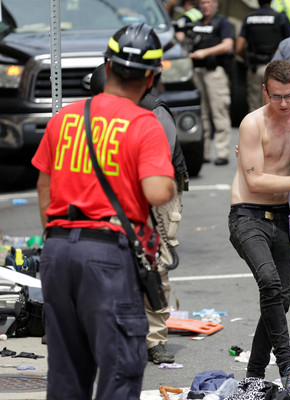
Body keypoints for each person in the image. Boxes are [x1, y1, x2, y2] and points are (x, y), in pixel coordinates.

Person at [32, 23, 176, 399]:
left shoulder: (65, 118)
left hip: (58, 250)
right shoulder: (144, 124)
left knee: (66, 372)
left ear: (107, 67)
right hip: (107, 257)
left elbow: (44, 186)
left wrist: (57, 236)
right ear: (150, 78)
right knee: (120, 368)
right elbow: (158, 192)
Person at [228, 59, 290, 400]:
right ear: (264, 91)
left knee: (279, 300)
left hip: (281, 214)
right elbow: (254, 181)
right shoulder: (252, 124)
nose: (283, 104)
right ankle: (289, 368)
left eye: (289, 96)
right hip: (247, 215)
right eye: (276, 97)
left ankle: (252, 376)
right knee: (269, 282)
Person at [89, 63, 188, 365]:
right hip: (119, 192)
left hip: (158, 194)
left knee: (154, 264)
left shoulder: (153, 111)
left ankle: (154, 339)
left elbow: (157, 169)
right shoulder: (99, 113)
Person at [176, 0, 234, 166]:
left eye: (208, 2)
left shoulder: (222, 22)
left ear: (215, 3)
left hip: (214, 72)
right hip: (197, 72)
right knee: (202, 114)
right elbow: (181, 37)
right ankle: (205, 153)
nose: (205, 6)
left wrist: (205, 52)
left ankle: (222, 153)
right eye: (202, 3)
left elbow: (228, 45)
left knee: (219, 111)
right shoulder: (195, 22)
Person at [236, 0, 290, 113]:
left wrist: (249, 58)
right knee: (274, 106)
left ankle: (255, 130)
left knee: (254, 107)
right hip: (274, 68)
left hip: (254, 68)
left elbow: (238, 48)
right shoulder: (280, 17)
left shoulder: (249, 18)